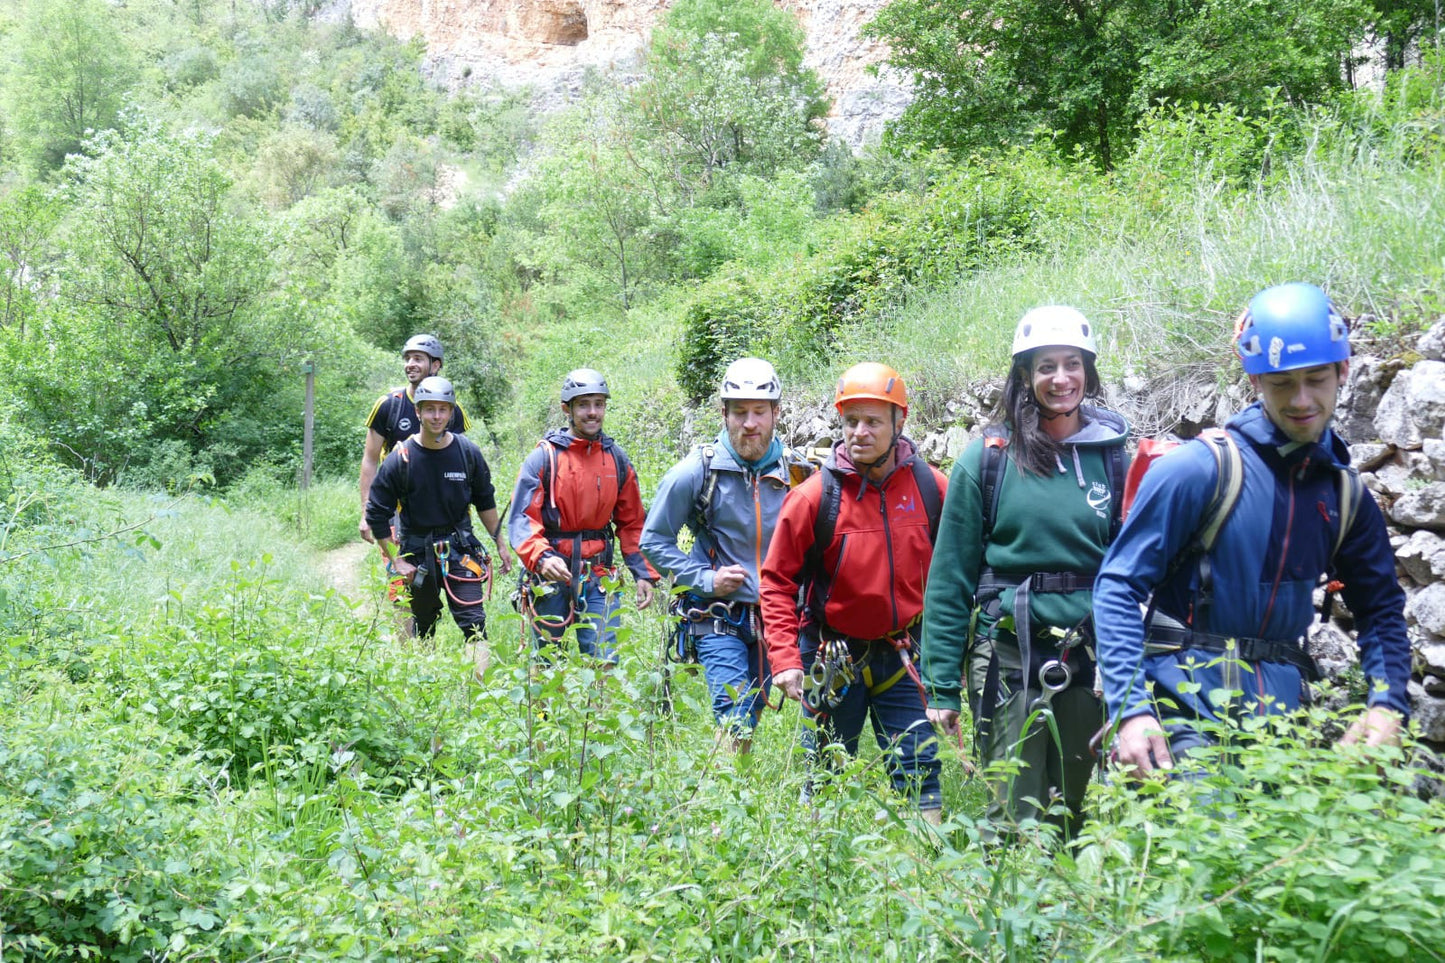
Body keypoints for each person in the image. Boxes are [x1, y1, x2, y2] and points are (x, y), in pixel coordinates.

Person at [1093, 282, 1412, 779]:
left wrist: (1387, 702)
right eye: (1282, 382)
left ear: (1343, 373)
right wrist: (1130, 710)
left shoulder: (1345, 496)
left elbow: (1382, 609)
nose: (1301, 399)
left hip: (1281, 727)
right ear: (1256, 381)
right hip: (1181, 710)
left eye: (1316, 378)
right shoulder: (1199, 470)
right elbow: (1117, 584)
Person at [922, 306, 1128, 840]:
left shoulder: (1114, 459)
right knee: (1012, 819)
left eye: (1072, 364)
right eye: (1045, 366)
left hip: (1088, 658)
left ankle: (1071, 921)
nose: (1060, 379)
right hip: (1008, 657)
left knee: (1082, 816)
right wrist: (941, 686)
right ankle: (1006, 919)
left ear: (1088, 370)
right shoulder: (987, 460)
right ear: (1024, 376)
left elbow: (1133, 571)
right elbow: (949, 579)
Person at [761, 362, 946, 824]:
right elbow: (777, 580)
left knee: (920, 770)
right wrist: (784, 658)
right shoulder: (813, 498)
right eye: (850, 421)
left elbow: (958, 573)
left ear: (899, 422)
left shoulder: (931, 488)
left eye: (873, 421)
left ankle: (935, 878)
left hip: (904, 652)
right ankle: (813, 872)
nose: (859, 432)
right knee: (824, 772)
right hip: (832, 654)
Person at [641, 358, 789, 753]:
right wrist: (706, 579)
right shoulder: (696, 472)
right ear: (724, 414)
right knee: (735, 710)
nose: (750, 423)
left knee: (752, 710)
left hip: (774, 616)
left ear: (776, 413)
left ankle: (734, 795)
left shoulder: (797, 474)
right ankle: (727, 806)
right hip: (716, 613)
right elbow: (654, 541)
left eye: (759, 412)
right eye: (739, 412)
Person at [364, 376, 511, 679]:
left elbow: (485, 501)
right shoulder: (400, 459)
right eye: (429, 409)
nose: (436, 416)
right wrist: (395, 559)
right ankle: (425, 690)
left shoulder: (467, 453)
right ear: (417, 413)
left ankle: (478, 697)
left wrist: (499, 542)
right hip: (417, 556)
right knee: (423, 625)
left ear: (451, 412)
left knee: (474, 623)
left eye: (443, 410)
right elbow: (377, 514)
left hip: (461, 553)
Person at [509, 368, 656, 664]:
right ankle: (544, 713)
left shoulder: (616, 459)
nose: (592, 412)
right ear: (567, 409)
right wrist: (541, 558)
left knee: (604, 660)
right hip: (551, 572)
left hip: (598, 575)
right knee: (548, 663)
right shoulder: (545, 457)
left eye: (599, 404)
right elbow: (523, 518)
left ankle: (600, 712)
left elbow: (632, 522)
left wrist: (644, 573)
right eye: (583, 404)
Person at [358, 334, 471, 638]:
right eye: (408, 358)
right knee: (399, 577)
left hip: (437, 514)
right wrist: (367, 511)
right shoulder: (388, 405)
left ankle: (429, 639)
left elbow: (459, 458)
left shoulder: (452, 408)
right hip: (395, 511)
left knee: (435, 580)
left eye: (418, 358)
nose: (410, 364)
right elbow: (370, 460)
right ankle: (408, 652)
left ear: (436, 365)